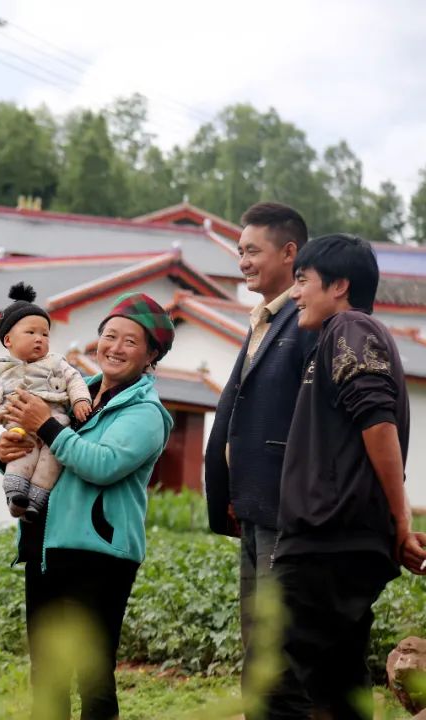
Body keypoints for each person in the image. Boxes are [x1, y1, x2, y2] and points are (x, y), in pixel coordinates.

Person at [268, 234, 426, 719]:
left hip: (327, 540)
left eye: (302, 280)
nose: (294, 293)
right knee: (335, 682)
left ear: (339, 285)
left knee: (279, 681)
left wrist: (400, 521)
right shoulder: (332, 339)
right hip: (337, 540)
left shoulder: (351, 327)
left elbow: (377, 424)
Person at [0, 292, 175, 720]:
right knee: (47, 676)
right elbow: (39, 451)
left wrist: (45, 425)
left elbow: (102, 464)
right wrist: (4, 452)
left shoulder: (147, 413)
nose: (114, 347)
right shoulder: (72, 395)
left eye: (130, 341)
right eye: (108, 335)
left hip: (100, 556)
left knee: (93, 677)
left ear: (152, 354)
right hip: (45, 547)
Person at [203, 202, 315, 716]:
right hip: (251, 507)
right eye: (239, 251)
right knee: (257, 646)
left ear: (289, 252)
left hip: (283, 507)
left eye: (252, 251)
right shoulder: (264, 317)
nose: (242, 261)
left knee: (278, 648)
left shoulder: (309, 318)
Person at [0, 282, 91, 521]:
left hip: (56, 424)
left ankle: (35, 502)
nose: (39, 339)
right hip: (19, 426)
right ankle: (15, 496)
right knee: (21, 453)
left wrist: (81, 400)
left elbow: (75, 379)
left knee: (51, 462)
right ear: (8, 340)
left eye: (45, 334)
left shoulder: (56, 362)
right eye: (31, 333)